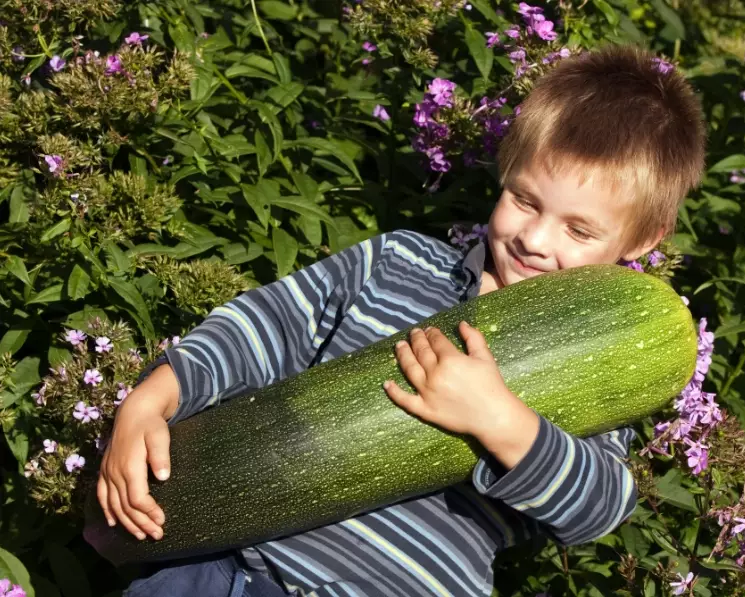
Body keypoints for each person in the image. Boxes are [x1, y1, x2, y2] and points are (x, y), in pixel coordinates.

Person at [98, 43, 706, 597]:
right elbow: (269, 324)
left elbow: (600, 505)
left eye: (578, 229)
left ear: (642, 239)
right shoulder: (399, 262)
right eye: (524, 199)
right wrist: (155, 396)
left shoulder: (602, 353)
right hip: (216, 570)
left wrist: (502, 421)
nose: (535, 240)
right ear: (505, 168)